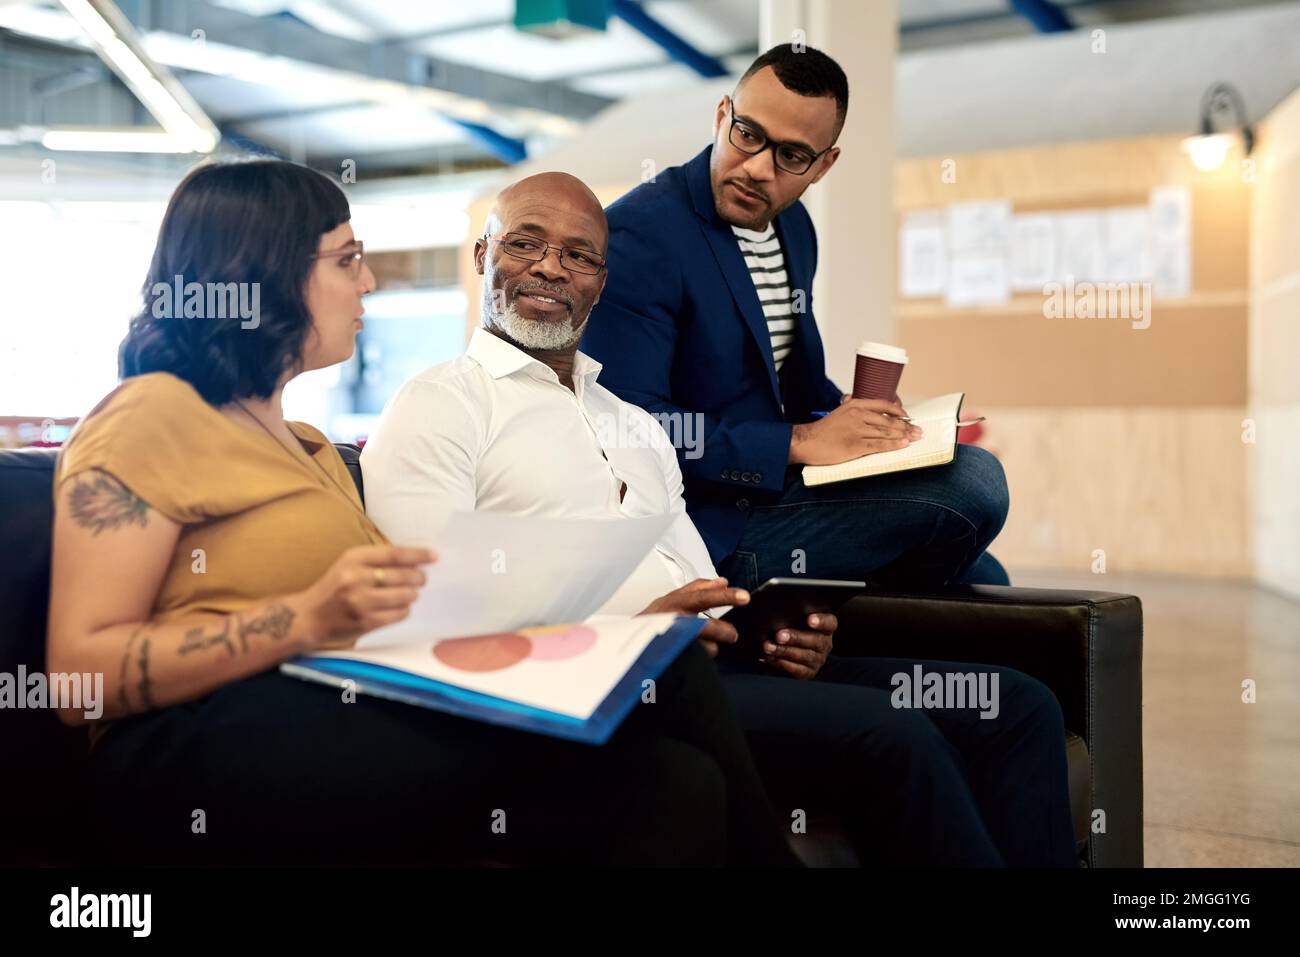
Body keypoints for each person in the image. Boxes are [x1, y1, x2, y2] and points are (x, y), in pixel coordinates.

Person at [45, 159, 798, 868]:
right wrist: (304, 619)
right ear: (266, 276)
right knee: (670, 694)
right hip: (191, 744)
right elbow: (78, 675)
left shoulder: (305, 445)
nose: (368, 281)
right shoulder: (149, 415)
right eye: (346, 260)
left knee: (672, 779)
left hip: (331, 708)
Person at [361, 171, 1078, 866]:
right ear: (484, 254)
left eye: (578, 255)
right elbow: (433, 613)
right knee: (897, 735)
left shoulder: (634, 422)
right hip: (608, 685)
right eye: (525, 243)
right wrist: (627, 633)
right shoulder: (438, 406)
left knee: (1016, 706)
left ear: (600, 284)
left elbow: (699, 578)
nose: (551, 268)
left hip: (722, 664)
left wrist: (772, 631)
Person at [580, 44, 1011, 591]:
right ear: (721, 115)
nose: (758, 167)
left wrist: (864, 422)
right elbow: (627, 427)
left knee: (989, 574)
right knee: (976, 483)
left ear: (824, 164)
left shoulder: (793, 227)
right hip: (706, 527)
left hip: (781, 489)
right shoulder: (640, 236)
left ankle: (829, 618)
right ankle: (802, 616)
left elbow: (790, 384)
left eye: (791, 156)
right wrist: (800, 442)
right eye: (748, 134)